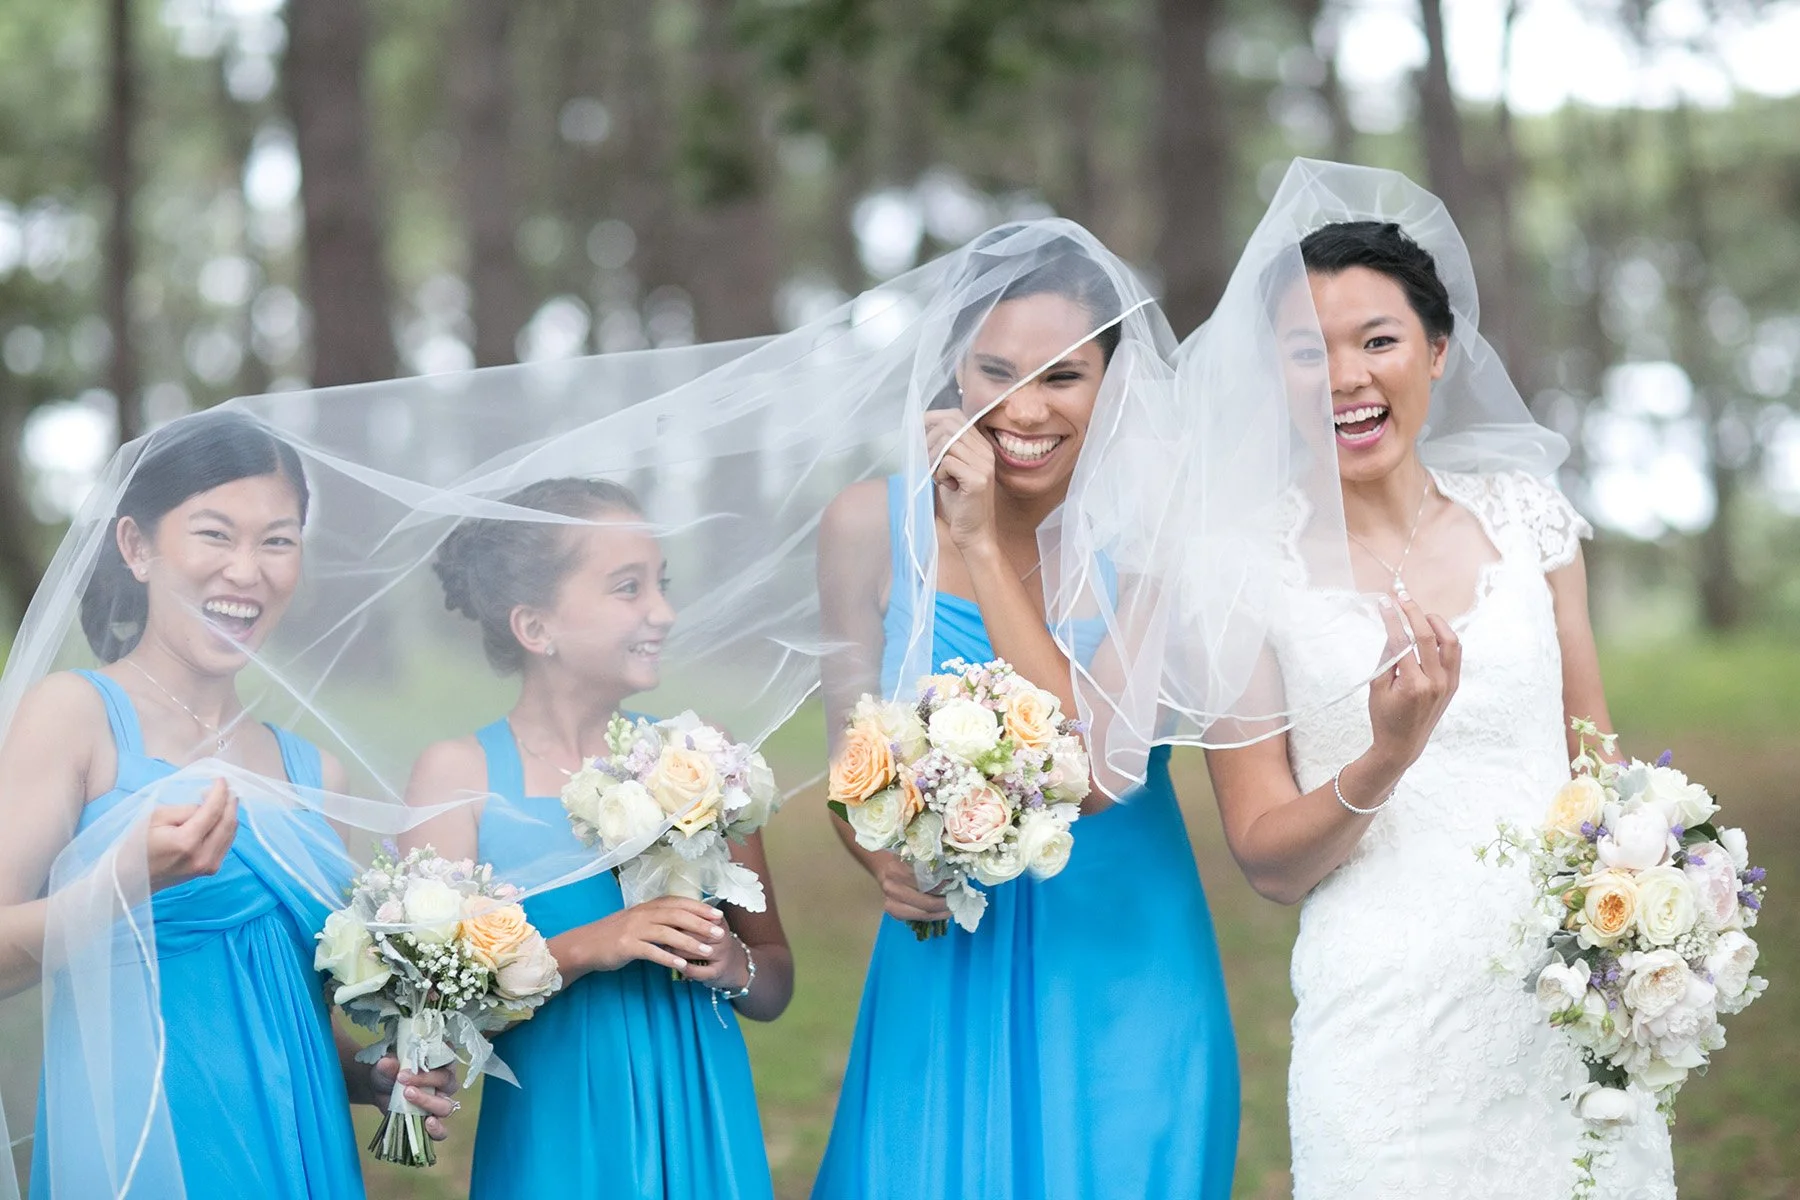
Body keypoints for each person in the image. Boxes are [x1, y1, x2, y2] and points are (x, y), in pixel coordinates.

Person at [1179, 159, 1676, 1198]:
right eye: (1307, 355)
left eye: (1378, 340)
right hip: (1386, 1027)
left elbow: (1598, 753)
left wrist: (1667, 903)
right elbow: (1267, 862)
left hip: (1570, 1004)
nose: (1347, 378)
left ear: (1438, 352)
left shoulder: (1530, 521)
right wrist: (1388, 753)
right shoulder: (1235, 574)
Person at [811, 222, 1239, 1199]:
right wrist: (880, 853)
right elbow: (851, 760)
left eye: (1063, 376)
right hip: (944, 952)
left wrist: (983, 542)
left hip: (1124, 964)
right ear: (949, 375)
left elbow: (1091, 770)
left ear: (1115, 386)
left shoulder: (1157, 540)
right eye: (994, 371)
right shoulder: (865, 528)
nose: (1023, 408)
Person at [0, 412, 458, 1200]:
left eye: (277, 541)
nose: (247, 570)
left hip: (295, 1137)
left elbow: (299, 1003)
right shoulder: (74, 716)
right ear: (137, 548)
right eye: (215, 534)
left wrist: (370, 1074)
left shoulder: (317, 772)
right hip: (146, 1136)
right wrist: (122, 883)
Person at [404, 476, 792, 1200]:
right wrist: (592, 944)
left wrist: (733, 963)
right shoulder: (460, 776)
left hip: (701, 1110)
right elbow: (435, 1014)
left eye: (662, 584)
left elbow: (774, 980)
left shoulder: (703, 760)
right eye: (628, 588)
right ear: (535, 627)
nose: (664, 612)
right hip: (562, 1128)